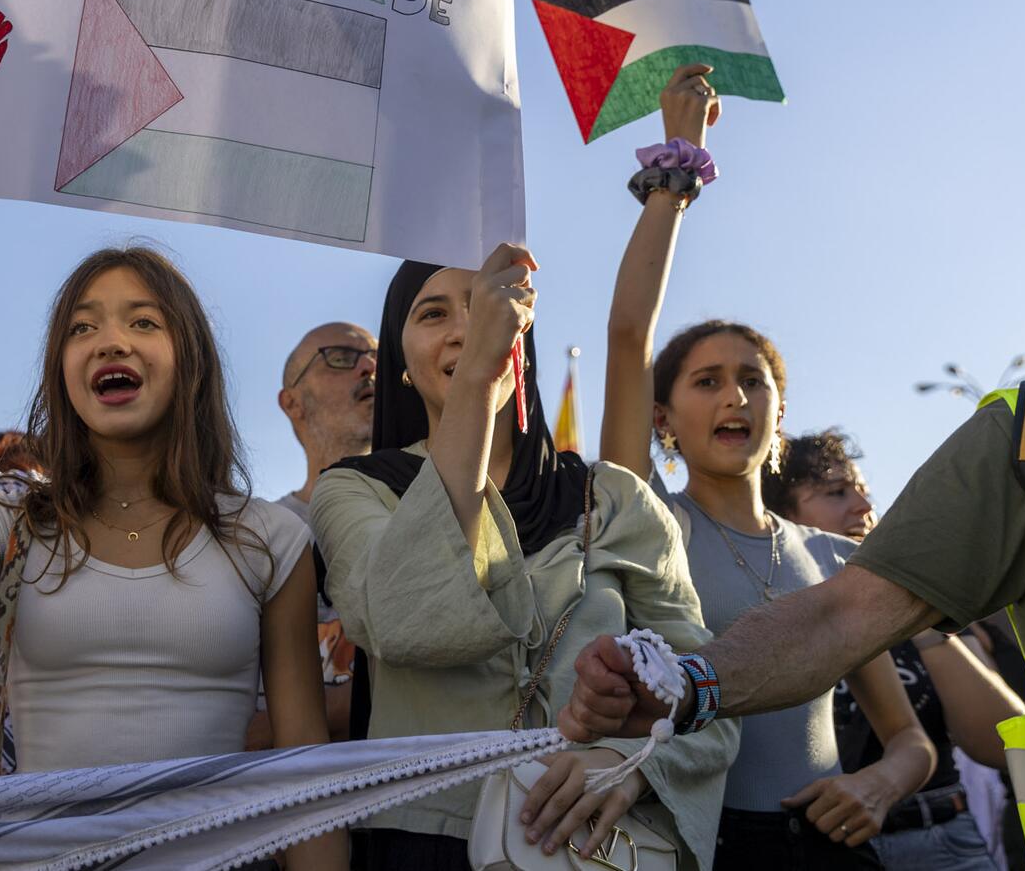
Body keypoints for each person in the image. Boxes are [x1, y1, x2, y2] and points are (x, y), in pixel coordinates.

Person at [561, 105, 1025, 867]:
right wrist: (684, 682)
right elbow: (842, 617)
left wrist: (888, 771)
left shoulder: (819, 550)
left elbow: (927, 727)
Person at [0, 245, 346, 869]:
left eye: (142, 321)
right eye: (83, 327)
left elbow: (302, 769)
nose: (110, 342)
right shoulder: (13, 514)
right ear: (62, 369)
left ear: (189, 359)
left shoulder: (268, 537)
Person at [596, 64, 935, 867]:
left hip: (830, 848)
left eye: (754, 379)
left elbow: (910, 738)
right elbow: (626, 336)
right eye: (706, 381)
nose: (734, 396)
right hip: (697, 844)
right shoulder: (651, 521)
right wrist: (676, 171)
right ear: (662, 418)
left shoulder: (832, 558)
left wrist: (880, 782)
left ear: (779, 412)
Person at [309, 246, 740, 870]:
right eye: (433, 314)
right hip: (424, 845)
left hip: (594, 843)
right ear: (400, 362)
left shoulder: (616, 498)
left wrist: (629, 765)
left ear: (523, 331)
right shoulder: (354, 489)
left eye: (486, 303)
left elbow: (707, 688)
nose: (468, 325)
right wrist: (479, 378)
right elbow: (402, 618)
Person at [764, 430, 1025, 870]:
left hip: (944, 840)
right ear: (781, 515)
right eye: (836, 492)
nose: (865, 507)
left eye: (863, 491)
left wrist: (915, 616)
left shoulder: (923, 610)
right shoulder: (769, 622)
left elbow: (1004, 744)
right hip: (823, 850)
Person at [248, 321, 376, 748]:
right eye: (341, 357)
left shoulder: (439, 512)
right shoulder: (254, 538)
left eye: (378, 358)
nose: (369, 368)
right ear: (292, 403)